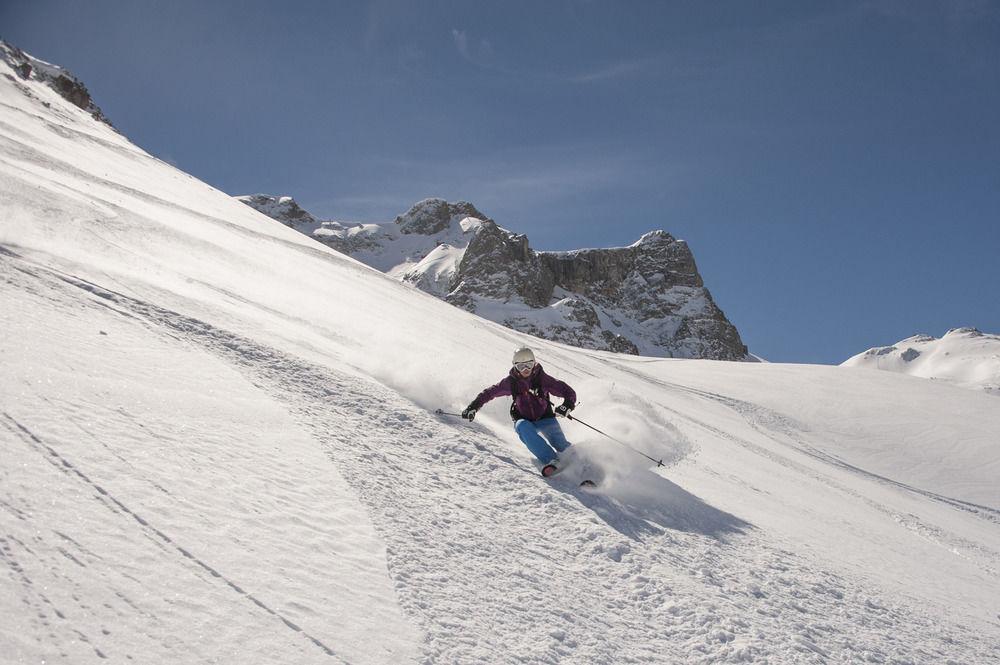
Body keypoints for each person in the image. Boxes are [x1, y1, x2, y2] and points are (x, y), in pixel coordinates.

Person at [462, 347, 576, 477]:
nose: (526, 369)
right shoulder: (511, 383)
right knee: (522, 427)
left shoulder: (542, 379)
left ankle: (577, 460)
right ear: (515, 366)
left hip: (545, 417)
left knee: (560, 444)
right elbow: (489, 393)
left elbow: (568, 391)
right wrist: (473, 407)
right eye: (521, 366)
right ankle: (551, 459)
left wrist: (567, 405)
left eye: (529, 365)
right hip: (524, 419)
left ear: (534, 363)